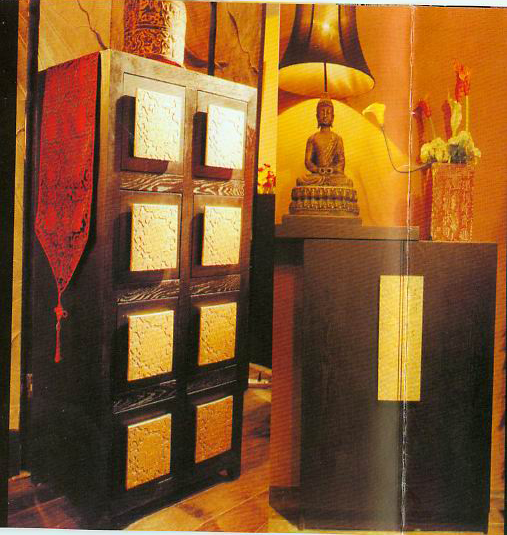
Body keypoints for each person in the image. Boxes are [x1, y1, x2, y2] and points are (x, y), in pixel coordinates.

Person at [296, 98, 349, 187]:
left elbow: (341, 162)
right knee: (301, 180)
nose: (325, 116)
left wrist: (332, 170)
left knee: (346, 181)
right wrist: (317, 170)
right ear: (317, 116)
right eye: (322, 112)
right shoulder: (312, 138)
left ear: (332, 117)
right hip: (317, 176)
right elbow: (308, 162)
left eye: (328, 113)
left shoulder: (337, 139)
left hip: (332, 176)